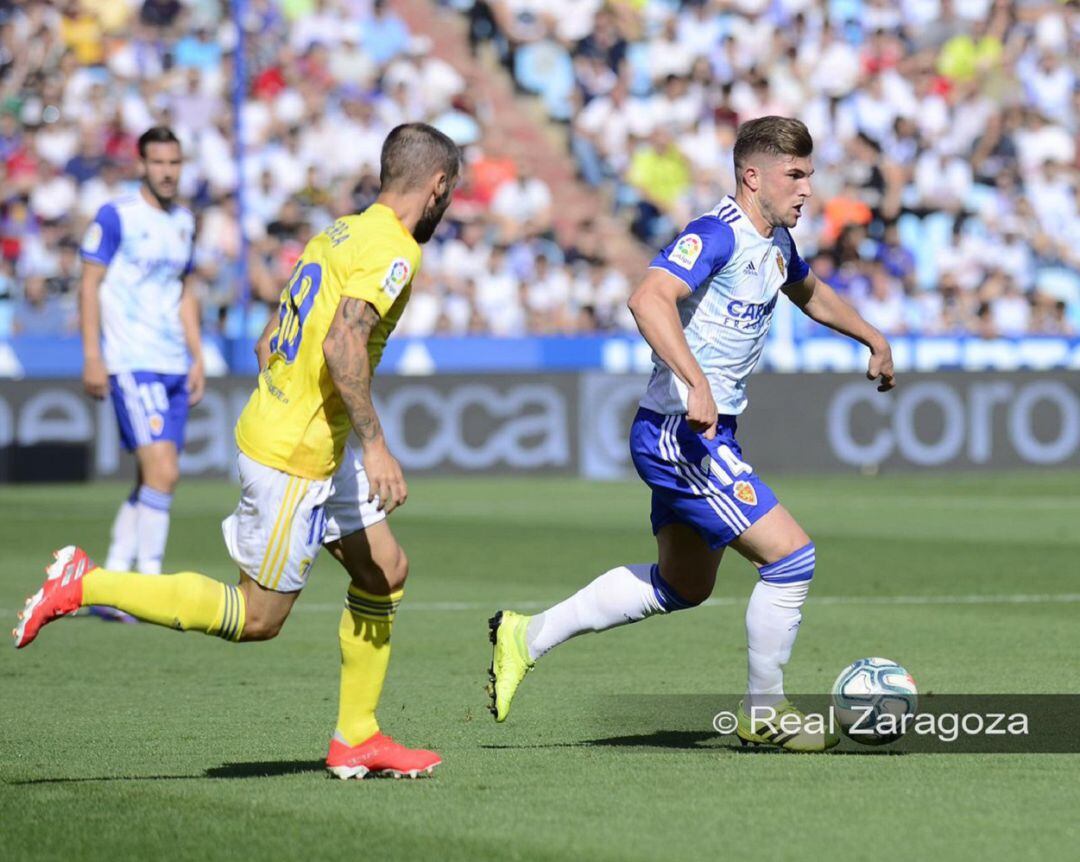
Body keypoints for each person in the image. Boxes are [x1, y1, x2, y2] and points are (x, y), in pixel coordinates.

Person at [15, 123, 461, 780]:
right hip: (295, 455)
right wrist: (379, 446)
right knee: (257, 618)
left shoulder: (340, 230)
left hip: (307, 438)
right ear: (438, 186)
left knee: (384, 570)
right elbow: (342, 348)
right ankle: (86, 582)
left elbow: (269, 338)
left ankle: (357, 736)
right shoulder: (394, 249)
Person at [487, 116, 896, 752]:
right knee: (792, 558)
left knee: (683, 585)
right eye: (794, 175)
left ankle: (525, 635)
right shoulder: (715, 233)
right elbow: (649, 297)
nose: (807, 189)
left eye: (810, 175)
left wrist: (872, 335)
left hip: (704, 430)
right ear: (751, 176)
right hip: (682, 431)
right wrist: (695, 381)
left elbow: (811, 294)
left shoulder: (777, 243)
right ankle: (765, 713)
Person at [79, 126, 203, 589]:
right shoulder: (116, 217)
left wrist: (198, 356)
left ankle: (108, 585)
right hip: (132, 358)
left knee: (151, 477)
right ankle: (149, 583)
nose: (168, 173)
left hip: (173, 362)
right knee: (164, 472)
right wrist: (93, 354)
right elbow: (89, 283)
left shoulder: (185, 221)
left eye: (175, 163)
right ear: (141, 165)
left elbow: (185, 292)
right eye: (159, 163)